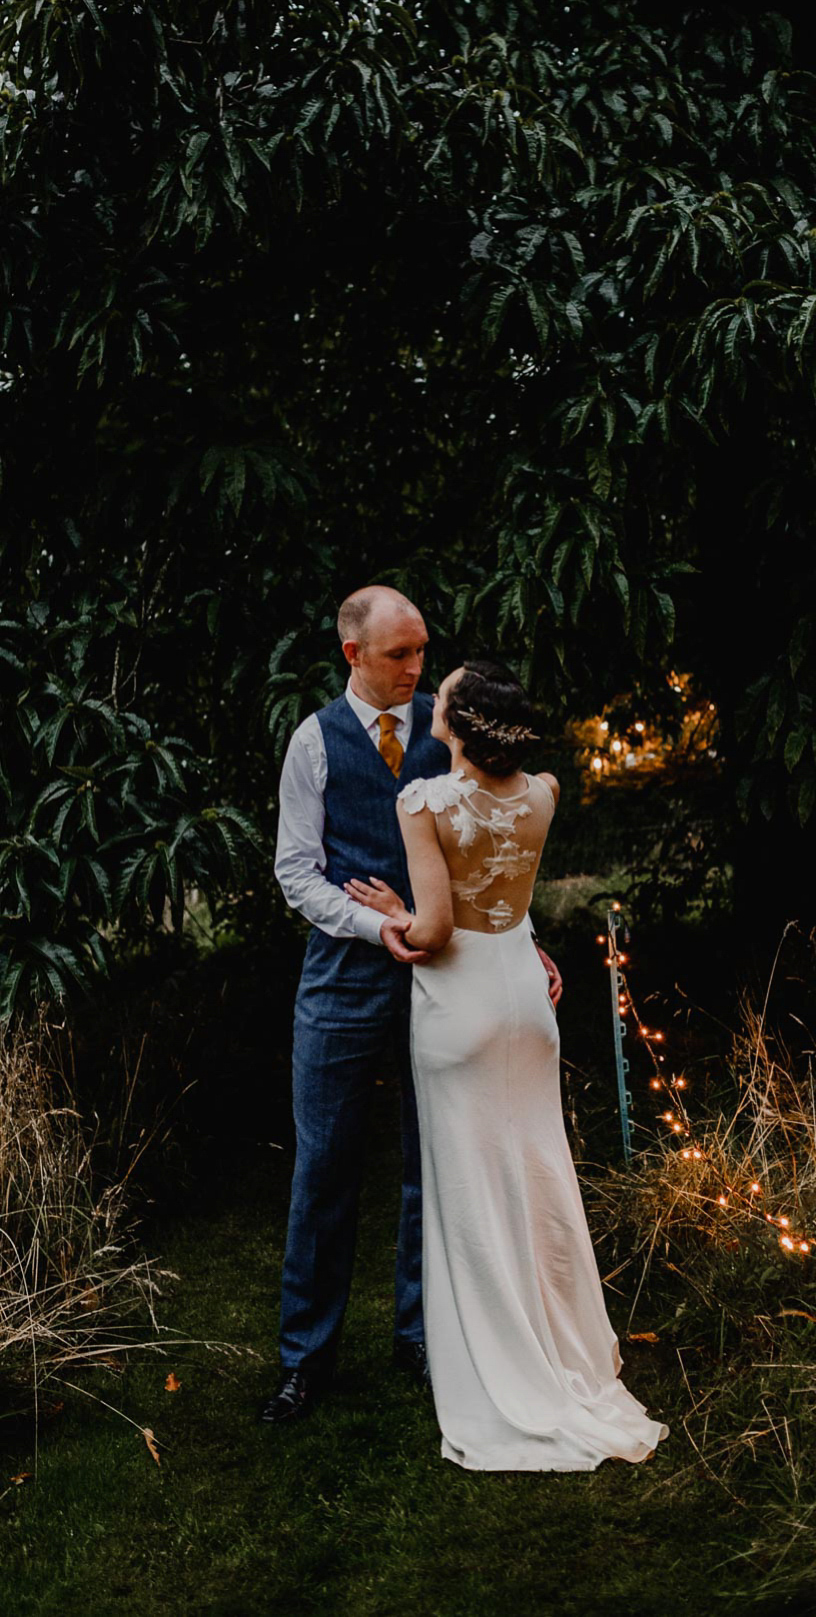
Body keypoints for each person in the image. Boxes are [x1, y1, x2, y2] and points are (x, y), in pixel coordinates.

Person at [344, 660, 668, 1471]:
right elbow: (506, 904)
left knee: (472, 1188)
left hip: (460, 1007)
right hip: (527, 995)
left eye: (441, 694)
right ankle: (568, 1350)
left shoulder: (421, 802)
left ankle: (507, 1369)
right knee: (538, 1170)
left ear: (458, 721)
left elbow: (439, 930)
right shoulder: (546, 792)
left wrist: (392, 913)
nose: (431, 700)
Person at [261, 591, 562, 1426]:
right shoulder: (312, 742)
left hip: (454, 976)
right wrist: (379, 922)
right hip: (343, 980)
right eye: (400, 655)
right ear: (352, 653)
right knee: (324, 1166)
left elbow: (495, 849)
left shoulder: (452, 729)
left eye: (424, 651)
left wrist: (523, 940)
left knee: (436, 1160)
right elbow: (295, 871)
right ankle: (304, 1359)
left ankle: (426, 1331)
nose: (418, 669)